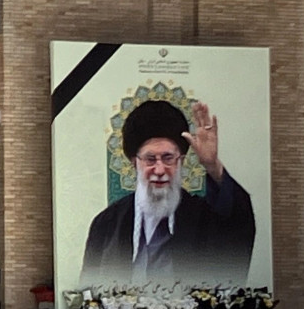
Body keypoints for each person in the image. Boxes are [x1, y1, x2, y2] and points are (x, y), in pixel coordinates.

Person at [79, 98, 256, 285]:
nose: (159, 169)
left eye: (168, 158)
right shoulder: (106, 225)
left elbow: (238, 224)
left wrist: (212, 165)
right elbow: (88, 291)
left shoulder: (204, 218)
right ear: (134, 162)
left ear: (181, 160)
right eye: (150, 159)